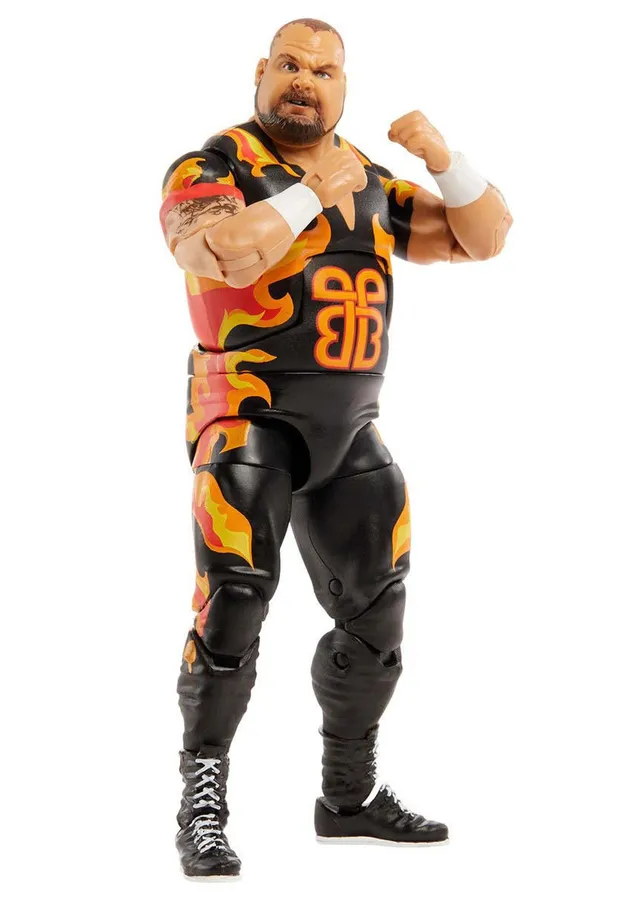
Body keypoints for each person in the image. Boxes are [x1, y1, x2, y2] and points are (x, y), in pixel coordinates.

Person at [160, 16, 512, 880]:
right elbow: (226, 254)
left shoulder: (370, 182)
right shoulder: (212, 168)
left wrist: (444, 158)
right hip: (246, 418)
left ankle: (348, 798)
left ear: (343, 87)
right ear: (260, 71)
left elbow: (484, 236)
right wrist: (313, 192)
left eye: (323, 71)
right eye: (289, 65)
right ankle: (201, 808)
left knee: (379, 615)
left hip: (349, 428)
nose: (304, 82)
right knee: (234, 601)